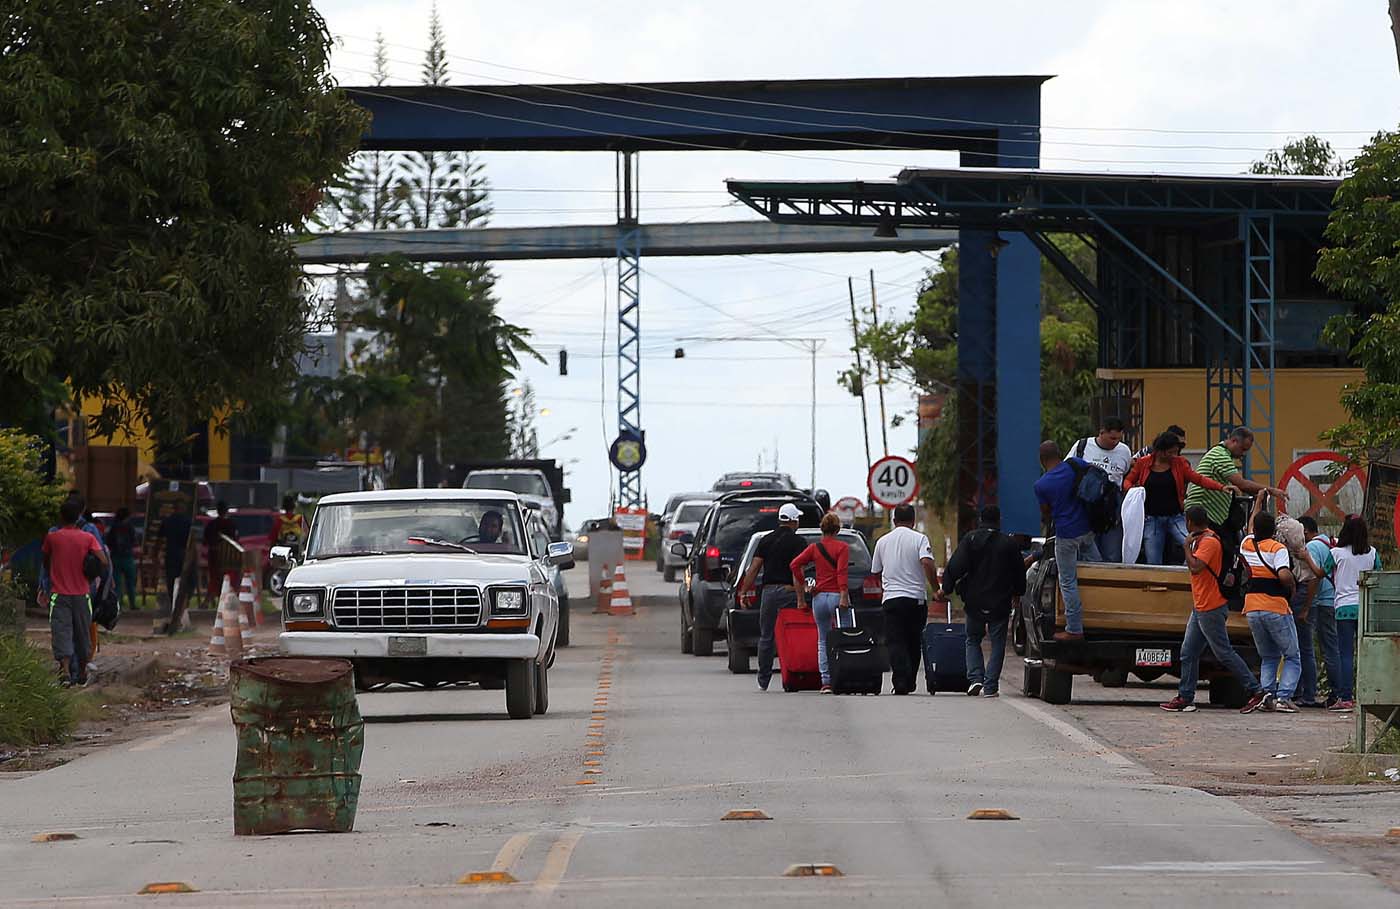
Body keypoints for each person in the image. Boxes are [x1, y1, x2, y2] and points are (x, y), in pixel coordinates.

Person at [1161, 506, 1270, 713]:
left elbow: (1195, 566)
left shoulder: (1209, 542)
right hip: (1201, 606)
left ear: (1190, 523)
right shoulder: (1204, 539)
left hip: (1211, 607)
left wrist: (1185, 546)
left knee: (1223, 652)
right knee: (1188, 653)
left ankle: (1256, 690)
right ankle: (1185, 697)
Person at [940, 505, 1025, 698]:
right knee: (997, 644)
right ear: (999, 520)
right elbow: (1019, 573)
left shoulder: (970, 540)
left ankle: (975, 678)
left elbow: (955, 566)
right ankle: (991, 686)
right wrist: (1018, 594)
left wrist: (946, 588)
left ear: (980, 519)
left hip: (974, 601)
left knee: (972, 639)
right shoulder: (1009, 544)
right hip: (1000, 602)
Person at [1122, 431, 1231, 565]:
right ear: (1161, 451)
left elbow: (1198, 479)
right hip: (1151, 518)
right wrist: (1133, 490)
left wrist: (1220, 487)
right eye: (1171, 452)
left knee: (1194, 544)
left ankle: (1187, 573)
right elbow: (1128, 481)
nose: (1174, 455)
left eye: (1176, 452)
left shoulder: (1180, 463)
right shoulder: (1143, 463)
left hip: (1175, 516)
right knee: (1153, 559)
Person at [1183, 427, 1287, 563]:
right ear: (1233, 441)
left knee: (1226, 549)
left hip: (1213, 513)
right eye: (1243, 449)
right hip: (1205, 513)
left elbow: (1240, 485)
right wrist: (1272, 491)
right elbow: (1242, 484)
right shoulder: (1219, 455)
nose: (1243, 454)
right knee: (1218, 551)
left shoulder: (1224, 456)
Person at [738, 503, 810, 692]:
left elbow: (753, 569)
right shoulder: (799, 543)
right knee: (791, 636)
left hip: (769, 592)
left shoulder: (766, 540)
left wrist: (743, 591)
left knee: (766, 636)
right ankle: (792, 674)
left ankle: (763, 680)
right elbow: (798, 572)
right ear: (794, 521)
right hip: (789, 592)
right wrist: (801, 598)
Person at [1035, 440, 1100, 641]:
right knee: (1098, 571)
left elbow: (1046, 514)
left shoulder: (1042, 484)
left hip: (1066, 534)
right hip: (1088, 529)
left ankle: (1074, 628)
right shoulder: (1075, 465)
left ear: (1041, 460)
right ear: (1060, 453)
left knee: (1068, 581)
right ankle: (1102, 616)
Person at [870, 503, 938, 695]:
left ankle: (900, 682)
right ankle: (910, 681)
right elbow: (927, 562)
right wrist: (936, 588)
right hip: (915, 599)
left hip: (891, 599)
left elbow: (875, 571)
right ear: (913, 521)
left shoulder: (882, 541)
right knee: (913, 640)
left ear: (894, 521)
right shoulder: (920, 539)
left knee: (895, 641)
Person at [38, 499, 108, 686]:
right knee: (82, 632)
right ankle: (83, 672)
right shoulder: (87, 538)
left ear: (61, 517)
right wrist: (89, 571)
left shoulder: (52, 537)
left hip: (58, 594)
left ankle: (66, 673)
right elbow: (103, 560)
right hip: (82, 594)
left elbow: (46, 560)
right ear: (78, 517)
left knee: (61, 631)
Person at [1241, 507, 1300, 712]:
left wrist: (1257, 501)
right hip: (1275, 606)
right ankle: (1284, 698)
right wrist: (1292, 585)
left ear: (1255, 529)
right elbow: (1283, 575)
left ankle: (1267, 696)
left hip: (1251, 607)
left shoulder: (1246, 543)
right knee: (1292, 655)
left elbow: (1249, 526)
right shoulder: (1278, 548)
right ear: (1274, 531)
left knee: (1268, 656)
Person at [1270, 503, 1325, 707]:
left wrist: (1305, 608)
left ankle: (1307, 693)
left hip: (1304, 601)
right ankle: (1300, 690)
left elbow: (1313, 579)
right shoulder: (1296, 555)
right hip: (1303, 599)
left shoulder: (1303, 554)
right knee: (1299, 648)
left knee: (1303, 647)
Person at [791, 512, 850, 694]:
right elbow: (841, 572)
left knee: (823, 640)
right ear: (838, 529)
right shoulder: (843, 547)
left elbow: (794, 564)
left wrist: (807, 584)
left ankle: (825, 681)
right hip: (835, 596)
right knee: (844, 637)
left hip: (819, 597)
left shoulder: (815, 548)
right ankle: (844, 676)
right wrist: (843, 594)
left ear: (822, 529)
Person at [1329, 515, 1380, 712]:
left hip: (1343, 609)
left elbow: (1322, 572)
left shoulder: (1336, 553)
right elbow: (1379, 576)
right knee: (1367, 653)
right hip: (1366, 608)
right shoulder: (1373, 554)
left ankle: (1345, 698)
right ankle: (1370, 695)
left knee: (1345, 655)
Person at [1065, 416, 1133, 561]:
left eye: (1118, 439)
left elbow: (1127, 474)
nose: (1115, 443)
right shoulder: (1082, 446)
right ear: (1101, 432)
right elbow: (1068, 469)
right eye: (1112, 438)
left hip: (1111, 508)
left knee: (1112, 552)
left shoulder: (1124, 451)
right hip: (1086, 506)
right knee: (1087, 551)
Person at [1300, 516, 1339, 708]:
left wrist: (1307, 606)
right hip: (1334, 600)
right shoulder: (1326, 542)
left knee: (1328, 649)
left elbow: (1315, 578)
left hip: (1323, 601)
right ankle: (1338, 692)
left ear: (1305, 531)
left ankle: (1337, 693)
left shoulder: (1313, 547)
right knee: (1332, 647)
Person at [202, 501, 239, 601]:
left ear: (217, 511)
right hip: (228, 558)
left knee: (214, 578)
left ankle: (211, 597)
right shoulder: (231, 524)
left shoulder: (211, 525)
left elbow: (205, 541)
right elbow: (235, 540)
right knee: (228, 578)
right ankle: (226, 597)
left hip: (214, 556)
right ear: (226, 511)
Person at [105, 507, 139, 613]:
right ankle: (132, 603)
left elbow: (108, 541)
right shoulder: (129, 527)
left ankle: (118, 604)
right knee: (130, 582)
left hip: (115, 557)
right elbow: (134, 541)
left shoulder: (113, 527)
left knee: (117, 583)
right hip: (128, 557)